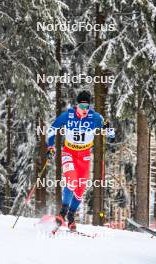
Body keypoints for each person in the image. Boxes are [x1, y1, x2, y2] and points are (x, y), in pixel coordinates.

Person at [47, 90, 115, 231]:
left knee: (80, 188)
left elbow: (111, 135)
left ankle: (71, 215)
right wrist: (50, 147)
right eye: (82, 106)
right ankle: (62, 213)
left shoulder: (95, 117)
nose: (84, 110)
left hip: (84, 156)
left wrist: (108, 128)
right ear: (77, 105)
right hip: (69, 153)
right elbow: (52, 129)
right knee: (71, 180)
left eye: (87, 107)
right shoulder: (68, 115)